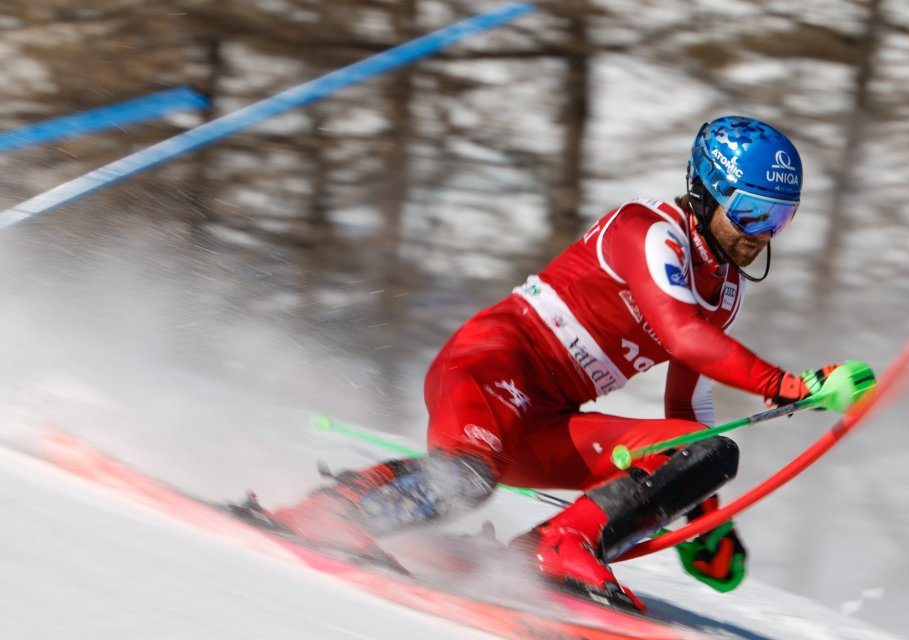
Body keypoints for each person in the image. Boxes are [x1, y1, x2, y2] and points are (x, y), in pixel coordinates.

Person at [251, 116, 856, 612]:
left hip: (549, 419)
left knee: (713, 449)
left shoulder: (724, 288)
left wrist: (704, 515)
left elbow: (687, 408)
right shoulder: (648, 231)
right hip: (494, 364)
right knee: (468, 480)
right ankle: (332, 513)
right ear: (705, 191)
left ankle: (559, 544)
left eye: (780, 219)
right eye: (751, 213)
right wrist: (789, 384)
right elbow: (682, 335)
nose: (761, 235)